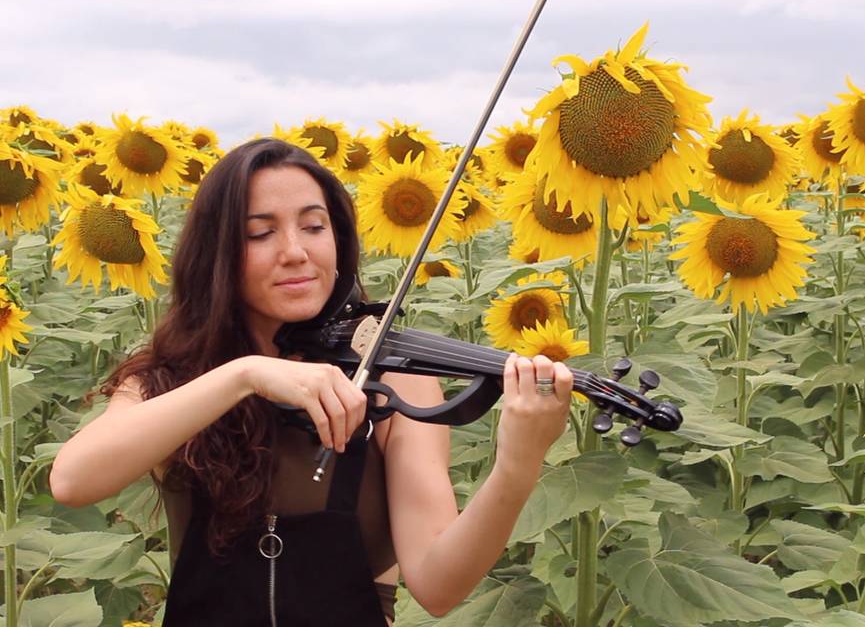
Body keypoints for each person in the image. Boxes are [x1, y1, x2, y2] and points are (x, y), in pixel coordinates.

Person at [49, 138, 574, 626]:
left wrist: (517, 467)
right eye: (260, 233)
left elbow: (437, 587)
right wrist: (245, 375)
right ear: (217, 256)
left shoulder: (393, 381)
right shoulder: (171, 378)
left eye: (314, 226)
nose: (296, 251)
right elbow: (73, 481)